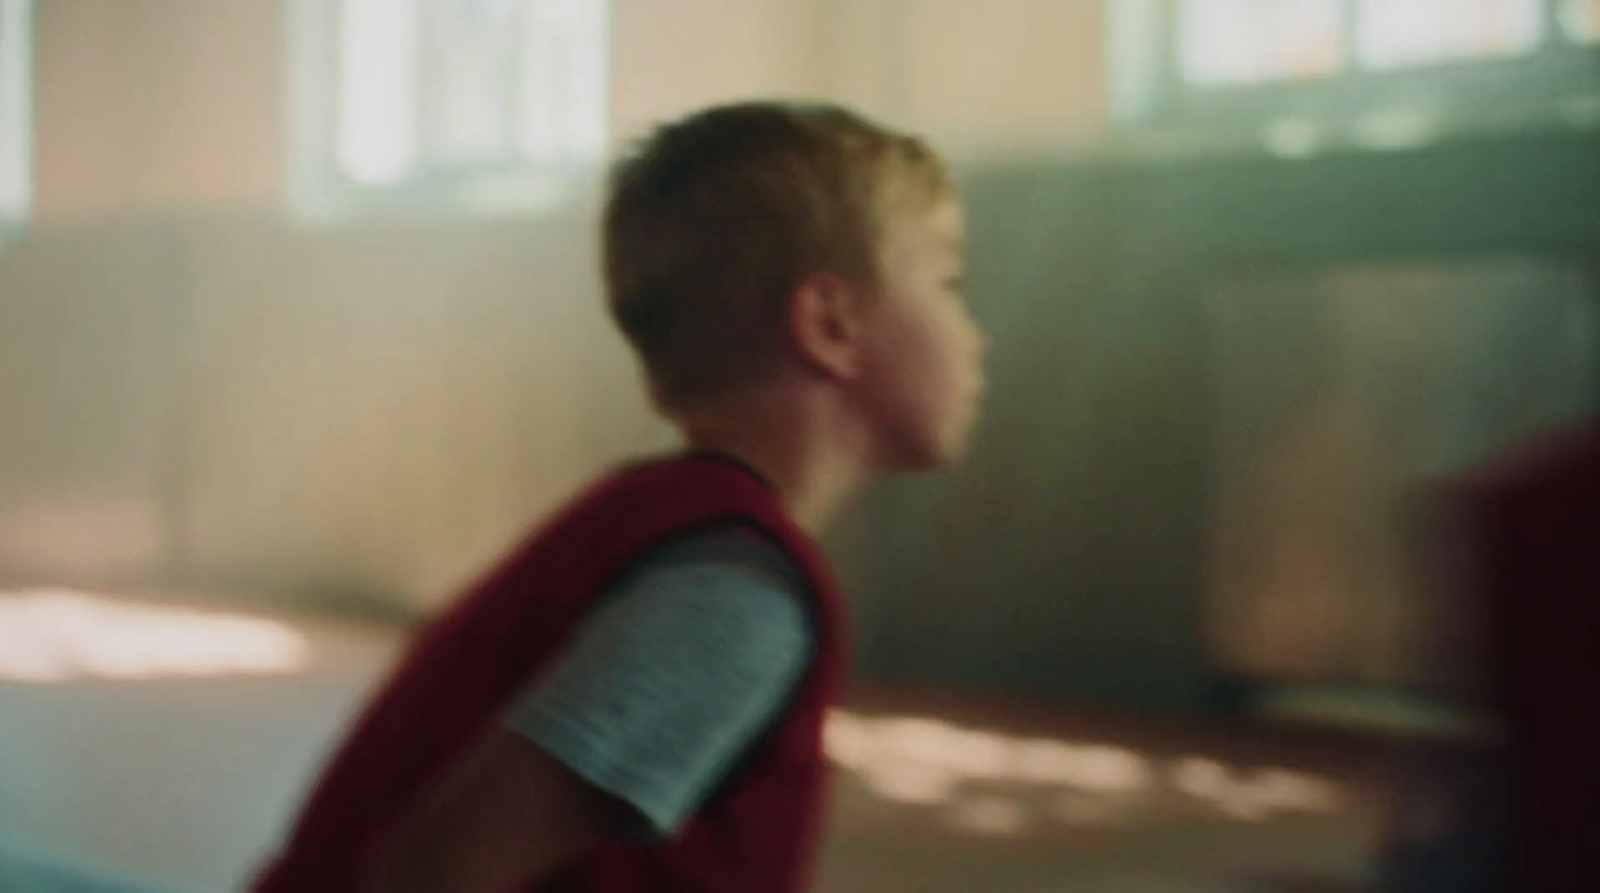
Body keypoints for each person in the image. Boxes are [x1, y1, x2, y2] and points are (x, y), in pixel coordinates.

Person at [247, 101, 987, 893]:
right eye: (947, 281)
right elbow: (431, 874)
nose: (974, 333)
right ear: (830, 323)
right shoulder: (730, 598)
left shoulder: (661, 528)